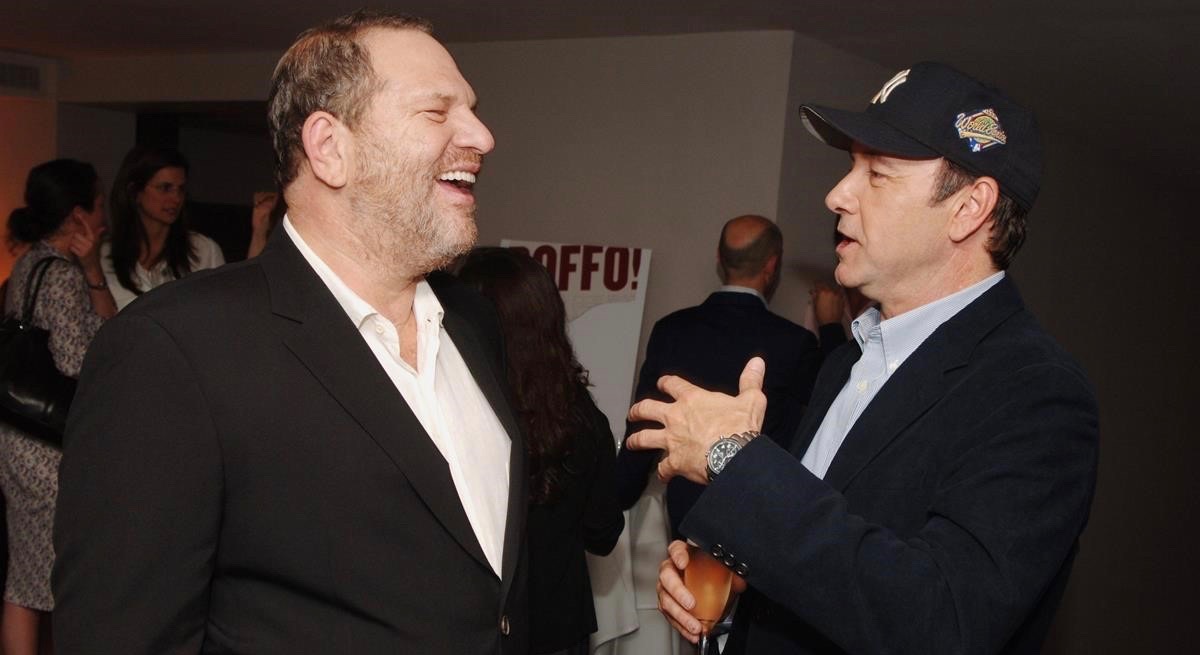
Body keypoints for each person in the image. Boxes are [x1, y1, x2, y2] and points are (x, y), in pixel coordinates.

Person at [53, 10, 528, 653]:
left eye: (471, 110)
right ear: (329, 147)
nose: (482, 136)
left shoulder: (473, 325)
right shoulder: (173, 350)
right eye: (437, 112)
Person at [628, 62, 1099, 654]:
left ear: (969, 208)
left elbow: (940, 624)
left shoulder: (1035, 393)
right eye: (851, 167)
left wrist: (732, 459)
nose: (836, 195)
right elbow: (833, 563)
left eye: (876, 174)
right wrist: (737, 594)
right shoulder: (848, 361)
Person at [458, 247, 625, 655]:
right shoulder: (582, 417)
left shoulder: (460, 408)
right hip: (557, 626)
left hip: (473, 627)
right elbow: (603, 533)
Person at [615, 214, 824, 539]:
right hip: (761, 516)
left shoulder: (672, 330)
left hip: (686, 513)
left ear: (719, 258)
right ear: (772, 265)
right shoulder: (795, 343)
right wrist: (832, 327)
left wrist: (618, 495)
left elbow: (645, 426)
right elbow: (816, 435)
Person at [2, 159, 114, 655]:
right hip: (50, 448)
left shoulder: (28, 262)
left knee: (23, 581)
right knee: (60, 582)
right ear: (77, 215)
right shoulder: (62, 275)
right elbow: (77, 359)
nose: (104, 214)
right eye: (98, 203)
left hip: (18, 436)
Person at [102, 146, 267, 310]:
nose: (176, 198)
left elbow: (230, 307)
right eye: (165, 188)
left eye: (181, 189)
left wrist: (259, 231)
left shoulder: (203, 250)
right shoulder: (104, 255)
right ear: (135, 191)